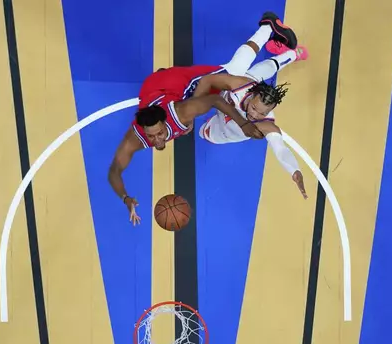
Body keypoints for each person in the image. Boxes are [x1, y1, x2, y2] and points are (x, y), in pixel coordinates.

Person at [109, 12, 299, 225]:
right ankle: (288, 54)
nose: (158, 140)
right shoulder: (136, 138)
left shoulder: (180, 113)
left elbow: (214, 102)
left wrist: (243, 123)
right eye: (152, 137)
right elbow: (114, 171)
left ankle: (267, 27)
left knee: (233, 70)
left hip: (175, 83)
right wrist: (126, 198)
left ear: (165, 123)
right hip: (153, 87)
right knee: (242, 80)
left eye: (160, 133)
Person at [194, 45, 310, 199]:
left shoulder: (266, 124)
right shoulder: (240, 85)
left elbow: (280, 149)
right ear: (251, 95)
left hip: (224, 130)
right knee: (262, 67)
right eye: (254, 108)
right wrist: (193, 107)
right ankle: (291, 52)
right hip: (223, 101)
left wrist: (294, 170)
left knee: (203, 133)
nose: (255, 115)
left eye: (263, 112)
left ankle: (293, 54)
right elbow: (207, 80)